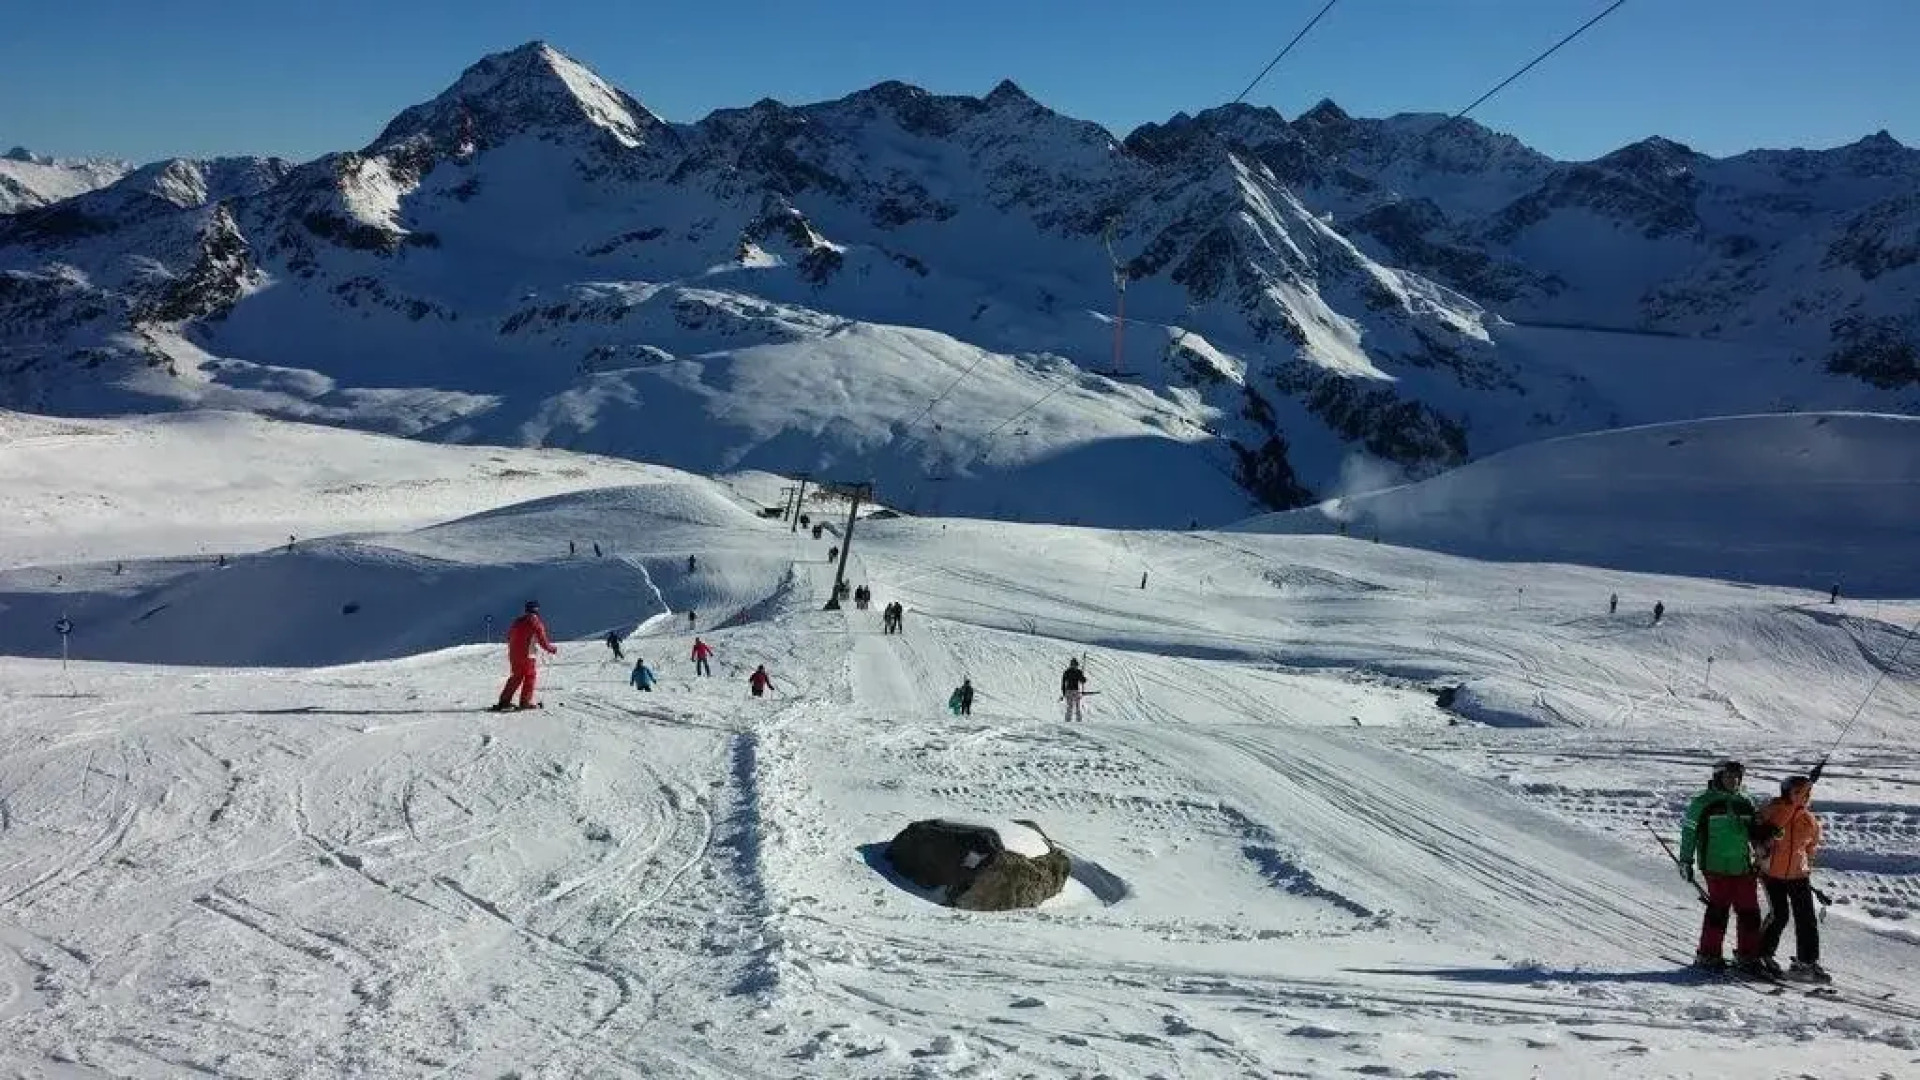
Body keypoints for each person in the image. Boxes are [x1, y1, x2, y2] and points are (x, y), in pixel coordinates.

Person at [1678, 760, 1766, 974]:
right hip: (1715, 866)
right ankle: (1708, 955)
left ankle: (1748, 956)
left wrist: (1764, 844)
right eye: (1728, 776)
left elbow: (1754, 832)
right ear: (1718, 777)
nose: (1733, 781)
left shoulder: (1746, 801)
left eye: (1737, 777)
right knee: (1718, 912)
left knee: (1750, 913)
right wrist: (1685, 861)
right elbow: (1689, 832)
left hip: (1742, 867)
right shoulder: (1703, 802)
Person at [1757, 775, 1828, 982]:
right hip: (1772, 874)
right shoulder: (1774, 810)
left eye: (1807, 793)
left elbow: (1811, 848)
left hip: (1798, 875)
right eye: (1798, 792)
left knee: (1807, 918)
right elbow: (1756, 830)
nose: (1803, 797)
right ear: (1786, 792)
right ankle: (1761, 954)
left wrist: (1806, 867)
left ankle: (1806, 962)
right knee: (1779, 915)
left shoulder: (1809, 820)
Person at [494, 600, 558, 711]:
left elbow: (509, 636)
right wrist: (551, 649)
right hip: (528, 655)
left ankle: (504, 701)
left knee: (516, 676)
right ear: (537, 610)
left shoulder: (517, 622)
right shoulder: (536, 622)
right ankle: (525, 702)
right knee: (530, 676)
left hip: (514, 654)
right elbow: (543, 641)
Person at [1060, 658, 1088, 722]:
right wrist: (1064, 692)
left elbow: (1082, 680)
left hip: (1075, 691)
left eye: (1075, 665)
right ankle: (1068, 721)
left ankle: (1078, 721)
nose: (1074, 666)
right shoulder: (1069, 672)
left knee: (1077, 707)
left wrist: (1083, 679)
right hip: (1070, 691)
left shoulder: (1074, 672)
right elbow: (1063, 682)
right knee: (1070, 707)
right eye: (1074, 665)